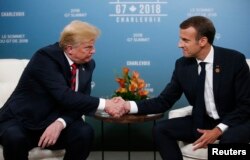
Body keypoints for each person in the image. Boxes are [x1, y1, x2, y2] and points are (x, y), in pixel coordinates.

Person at [119, 16, 250, 160]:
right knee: (160, 130)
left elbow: (245, 105)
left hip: (234, 121)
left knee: (229, 144)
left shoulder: (234, 60)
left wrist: (218, 130)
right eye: (180, 39)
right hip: (202, 121)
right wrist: (127, 106)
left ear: (203, 41)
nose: (179, 45)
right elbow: (164, 101)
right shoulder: (182, 65)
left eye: (185, 40)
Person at [0, 20, 124, 160]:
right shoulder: (45, 57)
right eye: (88, 47)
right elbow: (64, 95)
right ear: (70, 49)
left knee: (84, 132)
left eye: (93, 46)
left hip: (54, 120)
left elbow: (80, 101)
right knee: (14, 138)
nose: (93, 51)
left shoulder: (88, 64)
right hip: (22, 120)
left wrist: (60, 123)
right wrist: (106, 104)